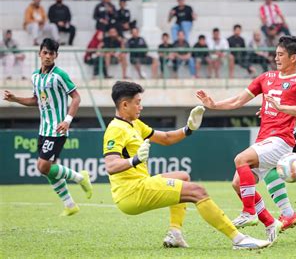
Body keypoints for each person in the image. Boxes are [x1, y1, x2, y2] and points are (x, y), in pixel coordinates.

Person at [103, 81, 271, 250]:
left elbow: (166, 138)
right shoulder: (116, 129)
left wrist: (188, 129)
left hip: (139, 185)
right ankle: (239, 240)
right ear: (125, 105)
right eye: (137, 102)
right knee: (197, 191)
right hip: (132, 192)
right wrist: (135, 159)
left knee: (182, 177)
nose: (141, 107)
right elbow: (111, 165)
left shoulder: (134, 123)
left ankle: (175, 234)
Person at [196, 36, 296, 241]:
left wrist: (281, 107)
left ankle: (249, 212)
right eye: (276, 54)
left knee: (240, 159)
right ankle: (270, 223)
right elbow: (237, 101)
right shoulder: (266, 77)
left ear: (293, 58)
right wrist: (213, 104)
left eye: (280, 54)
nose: (276, 58)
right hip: (264, 139)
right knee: (237, 183)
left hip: (282, 141)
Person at [3, 38, 92, 216]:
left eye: (52, 53)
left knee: (43, 167)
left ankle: (81, 178)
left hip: (57, 129)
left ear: (56, 56)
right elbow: (36, 100)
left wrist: (67, 120)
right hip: (43, 129)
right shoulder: (35, 76)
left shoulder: (60, 74)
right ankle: (69, 204)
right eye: (45, 52)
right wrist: (15, 99)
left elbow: (76, 97)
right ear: (39, 53)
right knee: (49, 170)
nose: (48, 56)